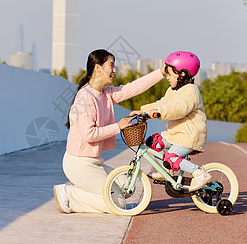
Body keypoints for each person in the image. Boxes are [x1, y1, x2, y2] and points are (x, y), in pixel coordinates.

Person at [53, 49, 165, 213]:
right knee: (118, 203)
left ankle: (83, 193)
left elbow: (133, 88)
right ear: (98, 68)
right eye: (111, 65)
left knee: (124, 186)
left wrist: (161, 72)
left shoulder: (105, 94)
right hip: (78, 164)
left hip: (94, 162)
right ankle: (70, 195)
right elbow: (89, 135)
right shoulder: (85, 97)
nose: (114, 70)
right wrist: (118, 126)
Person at [131, 51, 212, 192]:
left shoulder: (191, 91)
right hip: (175, 135)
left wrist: (159, 112)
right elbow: (162, 102)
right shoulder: (172, 90)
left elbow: (179, 109)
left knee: (171, 157)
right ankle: (166, 172)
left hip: (189, 137)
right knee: (153, 141)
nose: (167, 77)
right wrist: (143, 110)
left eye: (170, 74)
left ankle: (199, 173)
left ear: (182, 74)